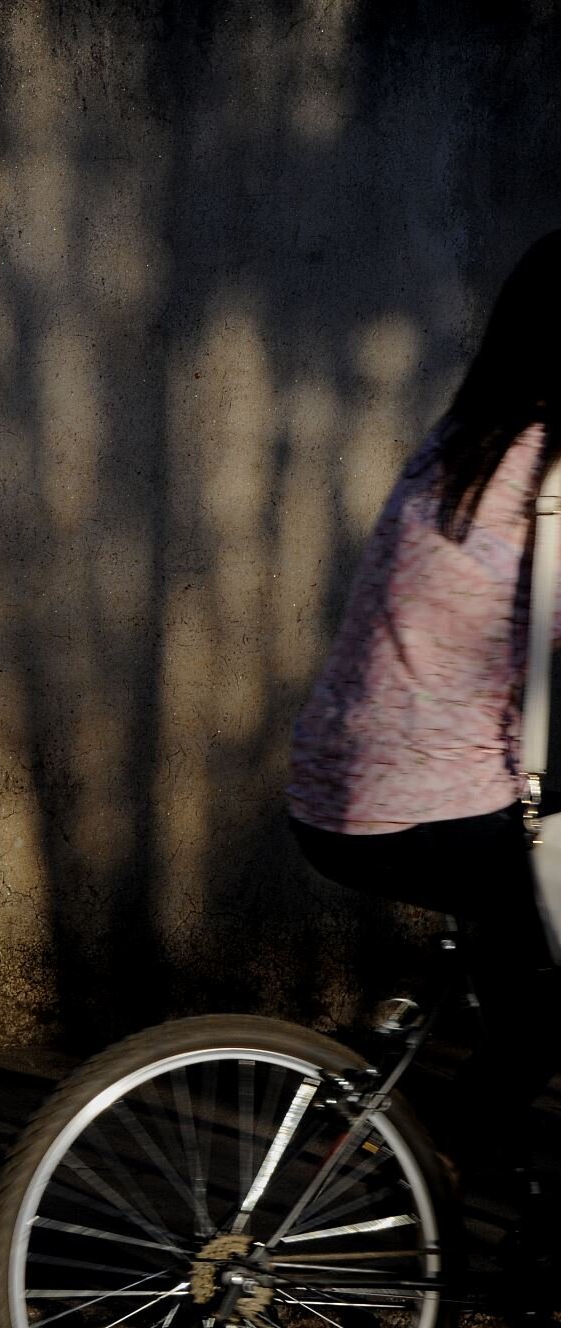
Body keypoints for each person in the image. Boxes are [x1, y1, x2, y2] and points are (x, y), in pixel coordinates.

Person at [286, 230, 561, 1170]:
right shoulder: (548, 474)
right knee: (545, 1020)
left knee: (523, 984)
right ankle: (412, 1181)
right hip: (429, 803)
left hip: (337, 785)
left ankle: (394, 1154)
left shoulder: (462, 442)